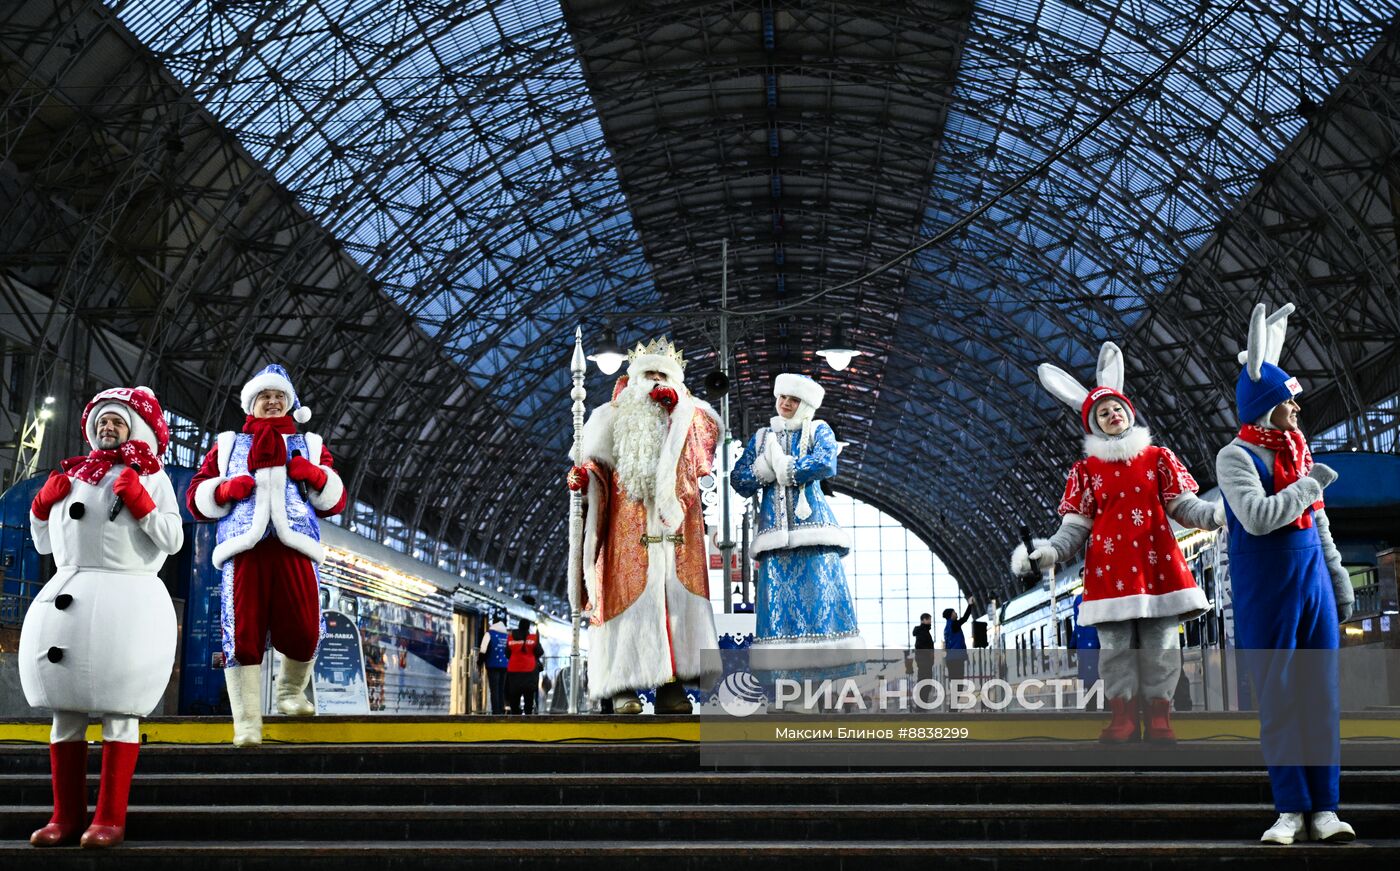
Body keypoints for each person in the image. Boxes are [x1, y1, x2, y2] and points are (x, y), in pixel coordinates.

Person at [1012, 342, 1222, 743]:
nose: (1112, 415)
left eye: (1117, 409)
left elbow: (1184, 506)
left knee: (1161, 644)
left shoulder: (1159, 458)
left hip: (1158, 566)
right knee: (1116, 651)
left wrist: (1213, 515)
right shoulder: (1085, 471)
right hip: (1110, 573)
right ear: (1092, 424)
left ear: (1129, 412)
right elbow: (1073, 531)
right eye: (1103, 413)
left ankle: (1159, 717)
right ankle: (1123, 717)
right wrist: (1048, 553)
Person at [1216, 303, 1354, 845]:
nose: (1296, 408)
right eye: (1287, 401)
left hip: (1312, 584)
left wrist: (1339, 581)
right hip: (1267, 590)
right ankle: (1290, 810)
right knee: (1279, 699)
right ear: (1264, 406)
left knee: (1321, 697)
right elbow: (1257, 517)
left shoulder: (1298, 454)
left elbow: (1318, 528)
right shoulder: (1235, 458)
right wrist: (1309, 485)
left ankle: (1326, 809)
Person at [21, 387, 182, 848]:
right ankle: (65, 817)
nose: (108, 428)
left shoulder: (152, 476)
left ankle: (109, 819)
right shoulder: (75, 475)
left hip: (125, 607)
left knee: (121, 713)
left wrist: (142, 503)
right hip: (69, 597)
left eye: (118, 421)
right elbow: (44, 546)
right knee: (65, 715)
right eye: (102, 422)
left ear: (137, 428)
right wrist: (39, 508)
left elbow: (172, 539)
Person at [187, 364, 346, 745]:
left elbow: (335, 501)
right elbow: (196, 497)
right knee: (242, 633)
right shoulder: (227, 446)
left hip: (295, 547)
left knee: (306, 629)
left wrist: (317, 475)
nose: (272, 402)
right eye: (265, 397)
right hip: (245, 549)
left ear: (290, 404)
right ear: (251, 404)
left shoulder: (309, 444)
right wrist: (223, 491)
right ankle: (245, 721)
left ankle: (290, 692)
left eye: (279, 397)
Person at [567, 337, 721, 714]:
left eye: (662, 374)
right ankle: (624, 688)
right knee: (629, 606)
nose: (655, 381)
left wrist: (679, 414)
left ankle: (672, 688)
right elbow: (596, 467)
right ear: (634, 378)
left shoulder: (693, 415)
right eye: (648, 373)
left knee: (672, 608)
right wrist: (584, 478)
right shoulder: (609, 416)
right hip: (627, 535)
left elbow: (706, 452)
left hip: (676, 536)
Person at [730, 373, 863, 668]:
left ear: (805, 404)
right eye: (782, 397)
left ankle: (826, 683)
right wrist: (765, 468)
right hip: (773, 539)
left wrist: (788, 469)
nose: (786, 404)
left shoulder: (818, 430)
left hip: (815, 536)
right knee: (780, 611)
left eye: (793, 399)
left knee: (819, 607)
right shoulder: (762, 438)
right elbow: (739, 479)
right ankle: (785, 686)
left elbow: (826, 461)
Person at [504, 619, 543, 715]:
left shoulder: (510, 638)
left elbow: (507, 653)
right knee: (528, 696)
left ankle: (515, 715)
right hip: (529, 670)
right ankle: (528, 716)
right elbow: (539, 652)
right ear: (528, 627)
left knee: (514, 696)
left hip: (513, 670)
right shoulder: (533, 638)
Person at [478, 613, 510, 714]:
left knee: (494, 689)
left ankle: (495, 711)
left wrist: (480, 663)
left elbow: (483, 649)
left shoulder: (489, 634)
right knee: (501, 689)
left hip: (492, 665)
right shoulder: (506, 635)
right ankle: (501, 708)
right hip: (504, 666)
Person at [943, 603, 974, 685]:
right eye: (954, 612)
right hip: (957, 658)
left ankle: (954, 697)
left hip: (950, 659)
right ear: (951, 615)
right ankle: (956, 697)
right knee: (959, 682)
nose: (956, 613)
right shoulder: (954, 625)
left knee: (954, 682)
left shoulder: (947, 627)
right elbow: (964, 618)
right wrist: (970, 605)